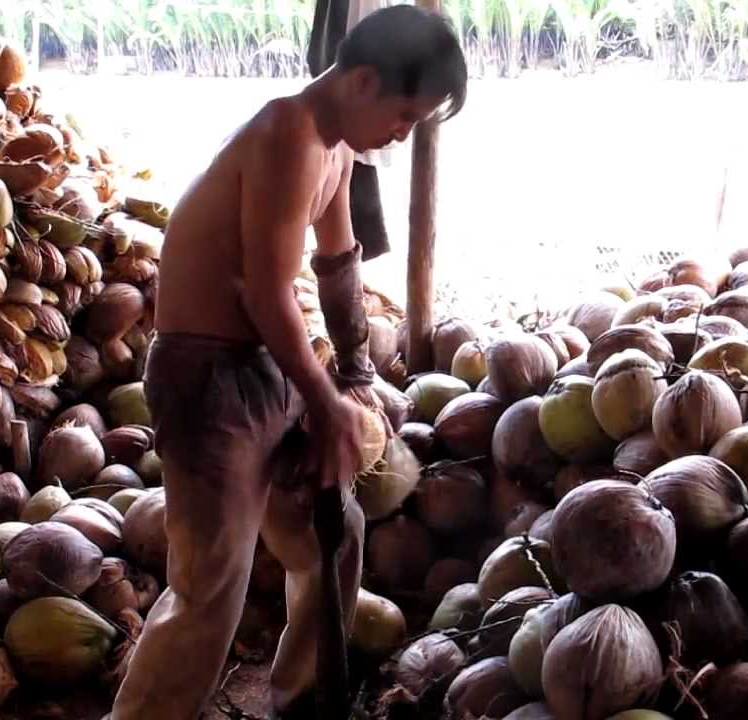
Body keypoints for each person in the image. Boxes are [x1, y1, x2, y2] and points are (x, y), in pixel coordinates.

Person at [109, 6, 468, 720]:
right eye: (404, 115)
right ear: (363, 82)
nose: (402, 134)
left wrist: (356, 373)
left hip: (263, 365)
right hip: (205, 379)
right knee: (212, 585)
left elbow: (337, 264)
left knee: (332, 534)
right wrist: (326, 402)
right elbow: (263, 289)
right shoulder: (288, 132)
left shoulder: (336, 149)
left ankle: (300, 697)